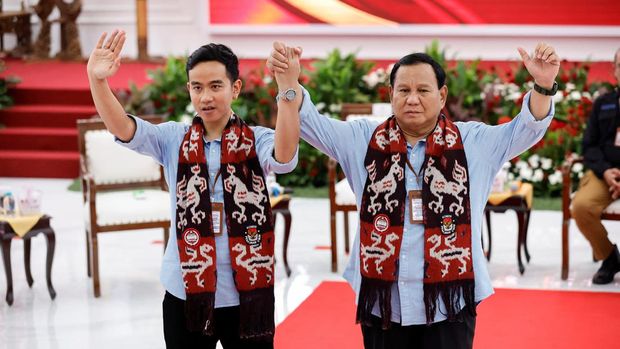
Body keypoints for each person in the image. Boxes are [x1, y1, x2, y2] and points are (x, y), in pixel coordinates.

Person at [268, 42, 559, 349]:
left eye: (423, 90)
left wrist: (542, 86)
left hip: (451, 303)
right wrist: (289, 83)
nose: (412, 99)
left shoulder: (474, 142)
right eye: (403, 90)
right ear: (390, 94)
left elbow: (526, 129)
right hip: (383, 302)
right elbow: (311, 123)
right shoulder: (362, 140)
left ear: (442, 95)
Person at [87, 30, 302, 349]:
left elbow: (284, 157)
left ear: (235, 88)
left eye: (216, 86)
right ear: (188, 89)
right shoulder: (173, 139)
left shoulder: (257, 139)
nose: (206, 97)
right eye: (197, 87)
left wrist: (287, 89)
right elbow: (123, 127)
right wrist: (97, 80)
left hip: (246, 293)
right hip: (185, 289)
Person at [571, 48, 620, 285]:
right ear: (615, 70)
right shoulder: (603, 103)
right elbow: (589, 145)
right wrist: (606, 171)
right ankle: (610, 257)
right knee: (581, 206)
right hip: (604, 173)